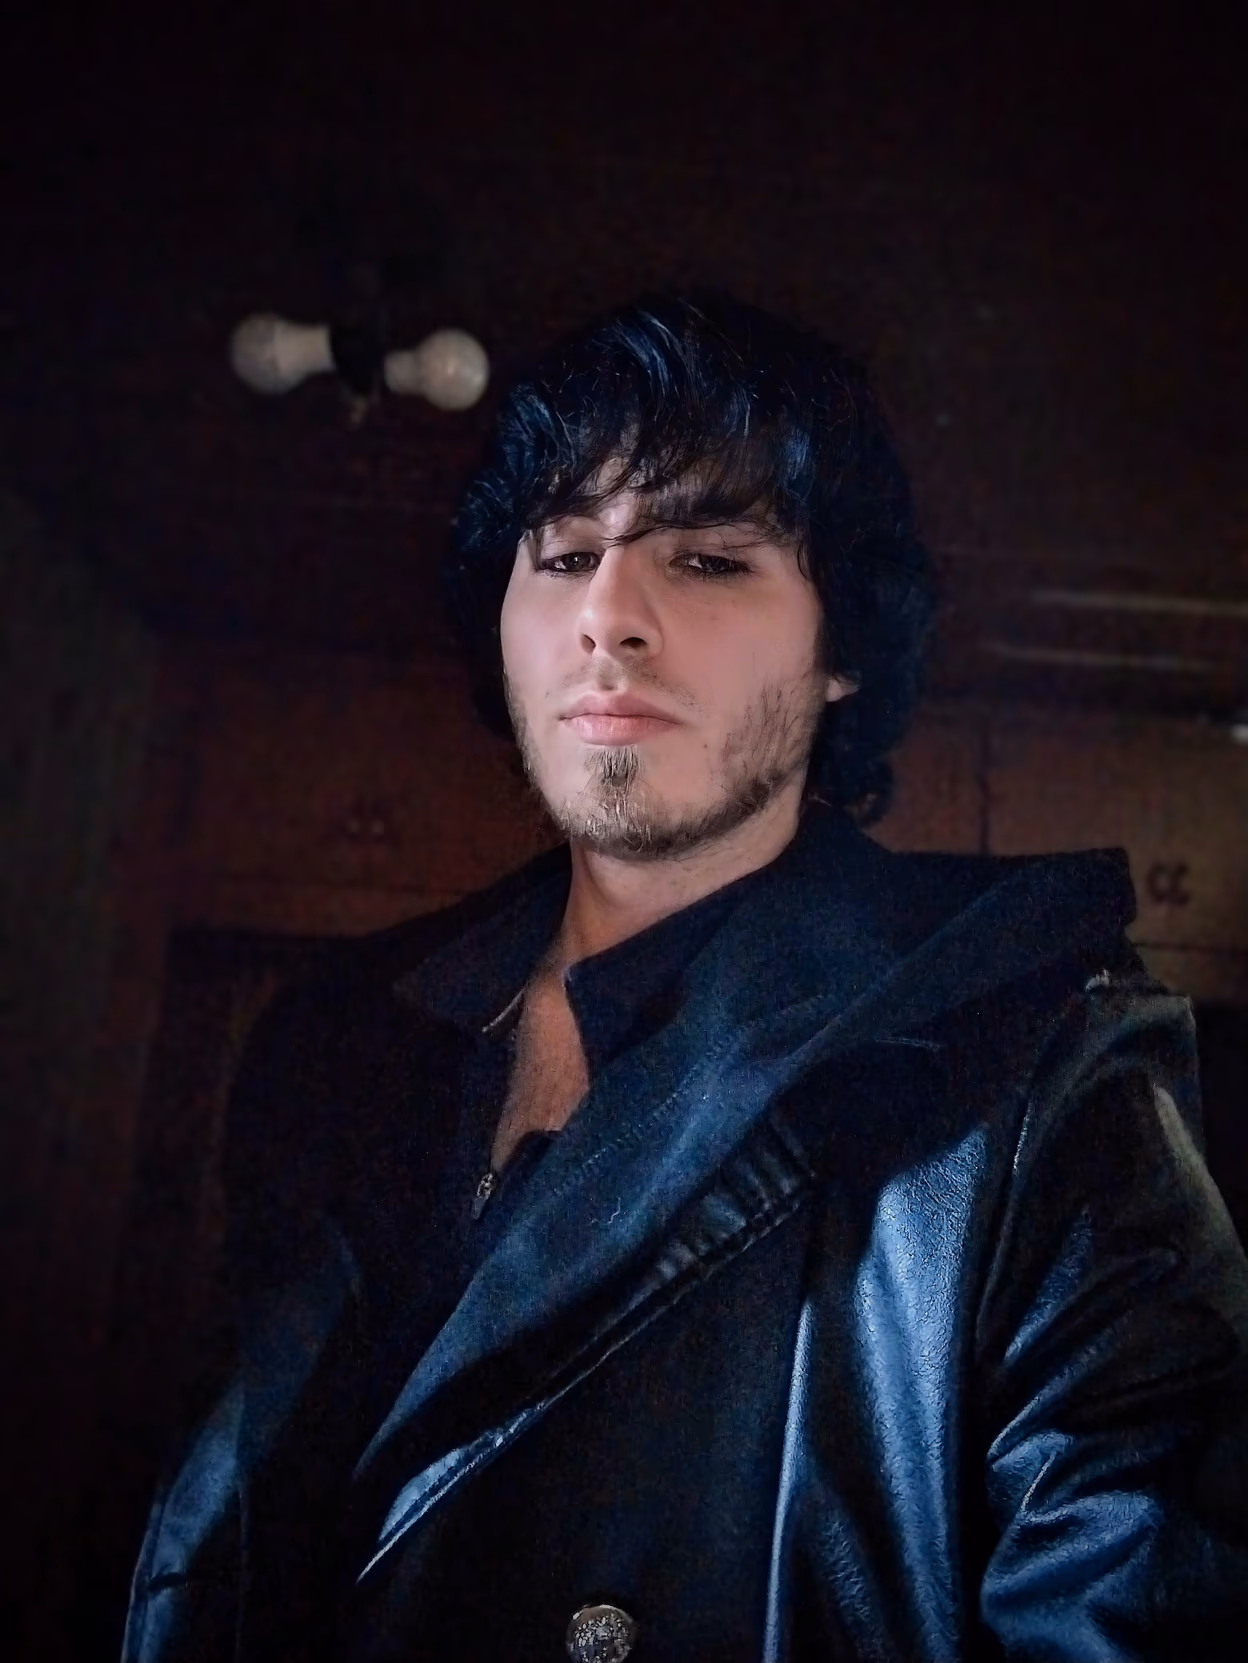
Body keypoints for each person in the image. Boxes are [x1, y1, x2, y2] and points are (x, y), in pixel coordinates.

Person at [122, 293, 1248, 1663]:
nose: (608, 613)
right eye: (562, 553)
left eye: (709, 558)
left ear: (842, 651)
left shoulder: (1039, 1074)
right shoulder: (333, 1042)